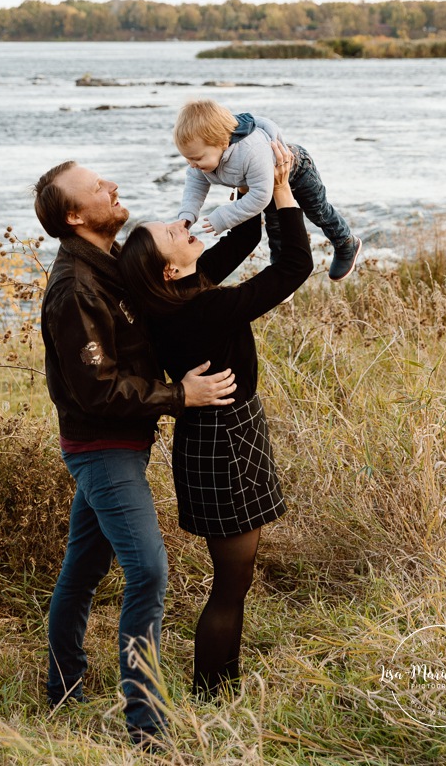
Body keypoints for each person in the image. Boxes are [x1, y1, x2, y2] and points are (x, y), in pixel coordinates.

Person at [32, 159, 237, 747]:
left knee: (84, 566)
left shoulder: (111, 263)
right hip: (103, 448)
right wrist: (181, 395)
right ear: (74, 215)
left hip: (120, 443)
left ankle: (64, 683)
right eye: (97, 187)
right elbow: (96, 388)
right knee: (147, 569)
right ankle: (147, 726)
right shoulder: (75, 288)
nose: (112, 186)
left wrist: (249, 206)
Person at [118, 142, 313, 698]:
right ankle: (212, 695)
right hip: (224, 442)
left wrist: (246, 185)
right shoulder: (200, 309)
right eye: (176, 233)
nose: (186, 225)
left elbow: (246, 237)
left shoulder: (177, 293)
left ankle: (225, 686)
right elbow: (295, 266)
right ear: (171, 267)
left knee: (236, 582)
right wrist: (280, 191)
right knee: (231, 585)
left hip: (219, 434)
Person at [174, 99, 361, 282]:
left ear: (223, 143)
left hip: (298, 170)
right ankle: (282, 273)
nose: (192, 165)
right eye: (187, 159)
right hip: (262, 181)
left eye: (196, 158)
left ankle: (345, 243)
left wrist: (224, 217)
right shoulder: (200, 161)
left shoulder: (251, 151)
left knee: (318, 211)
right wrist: (187, 216)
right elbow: (195, 186)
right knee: (275, 225)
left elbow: (260, 197)